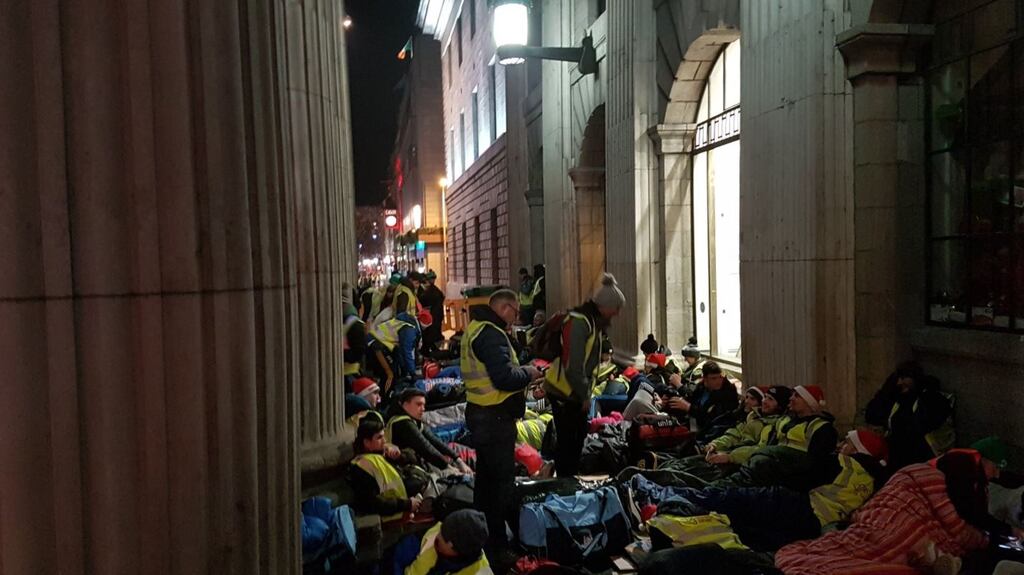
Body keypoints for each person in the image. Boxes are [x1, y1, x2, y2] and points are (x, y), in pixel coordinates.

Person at [656, 428, 890, 552]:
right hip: (813, 523)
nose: (841, 445)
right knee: (749, 531)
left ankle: (669, 498)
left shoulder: (842, 462)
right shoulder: (871, 480)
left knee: (734, 500)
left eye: (847, 442)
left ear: (857, 449)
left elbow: (805, 474)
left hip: (798, 504)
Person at [461, 289, 543, 550]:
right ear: (505, 308)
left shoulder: (475, 328)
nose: (516, 317)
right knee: (501, 486)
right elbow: (504, 378)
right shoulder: (491, 334)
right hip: (494, 418)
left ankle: (481, 537)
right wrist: (529, 373)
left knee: (485, 484)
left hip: (480, 414)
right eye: (515, 311)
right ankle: (500, 546)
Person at [543, 272, 625, 477]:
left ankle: (566, 483)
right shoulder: (581, 323)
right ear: (605, 306)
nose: (616, 314)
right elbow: (574, 365)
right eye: (616, 309)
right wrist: (584, 395)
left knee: (573, 442)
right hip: (565, 392)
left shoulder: (590, 323)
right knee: (569, 443)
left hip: (569, 392)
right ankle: (565, 486)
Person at [716, 384, 838, 491]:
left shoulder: (822, 429)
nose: (791, 398)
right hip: (770, 467)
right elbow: (768, 447)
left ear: (809, 402)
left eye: (796, 396)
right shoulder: (785, 421)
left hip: (789, 477)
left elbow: (814, 465)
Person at [865, 360, 954, 469]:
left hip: (923, 458)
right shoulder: (898, 401)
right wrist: (886, 391)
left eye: (903, 378)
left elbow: (922, 426)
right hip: (897, 458)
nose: (899, 383)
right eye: (898, 379)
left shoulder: (931, 400)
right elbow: (872, 415)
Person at [348, 418, 423, 522]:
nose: (384, 441)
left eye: (384, 436)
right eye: (379, 438)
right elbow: (372, 502)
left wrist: (399, 456)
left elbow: (414, 458)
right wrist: (407, 504)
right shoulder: (361, 466)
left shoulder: (384, 454)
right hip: (397, 514)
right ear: (367, 442)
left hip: (416, 493)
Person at [387, 388, 472, 474]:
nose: (423, 409)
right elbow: (425, 447)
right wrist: (448, 467)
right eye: (418, 404)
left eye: (424, 405)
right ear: (405, 404)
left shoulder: (413, 420)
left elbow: (433, 439)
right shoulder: (403, 423)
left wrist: (458, 459)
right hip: (406, 469)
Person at [393, 509, 492, 575]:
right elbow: (396, 560)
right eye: (442, 529)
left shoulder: (480, 571)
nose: (438, 535)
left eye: (443, 537)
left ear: (454, 549)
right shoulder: (431, 535)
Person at [662, 361, 739, 434]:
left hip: (712, 430)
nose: (718, 381)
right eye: (713, 378)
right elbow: (692, 400)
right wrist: (672, 402)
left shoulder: (728, 392)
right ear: (705, 379)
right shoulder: (702, 387)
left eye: (719, 377)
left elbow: (713, 419)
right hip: (694, 423)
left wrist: (688, 407)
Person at [366, 310, 431, 394]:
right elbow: (406, 351)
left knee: (390, 374)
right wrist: (412, 372)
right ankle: (385, 401)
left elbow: (401, 350)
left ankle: (384, 398)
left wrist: (405, 368)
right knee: (390, 375)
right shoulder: (410, 329)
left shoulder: (407, 322)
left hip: (376, 343)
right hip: (377, 346)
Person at [418, 270, 446, 356]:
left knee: (430, 334)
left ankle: (429, 351)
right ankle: (432, 350)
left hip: (432, 315)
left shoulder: (429, 291)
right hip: (436, 314)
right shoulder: (435, 290)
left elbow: (423, 301)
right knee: (434, 333)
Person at [343, 292, 367, 387]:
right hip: (348, 371)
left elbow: (358, 352)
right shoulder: (354, 323)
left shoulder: (354, 324)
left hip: (349, 373)